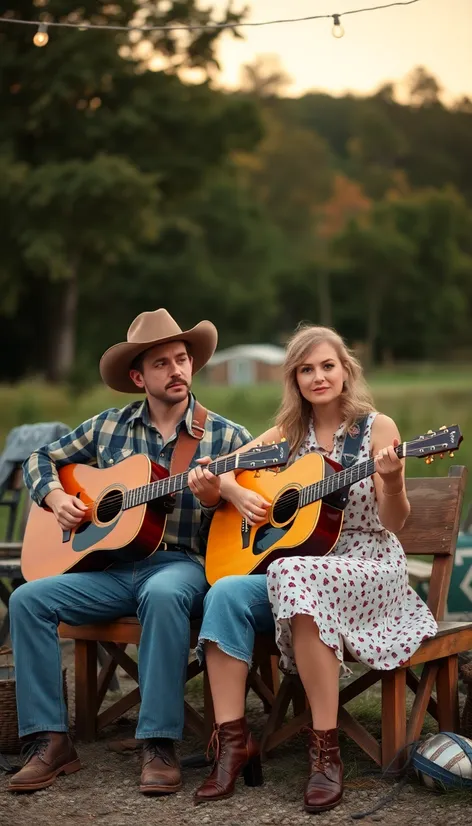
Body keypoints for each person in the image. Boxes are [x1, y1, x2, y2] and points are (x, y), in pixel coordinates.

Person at [192, 324, 438, 813]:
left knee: (293, 576)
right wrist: (238, 493)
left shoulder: (377, 429)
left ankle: (325, 753)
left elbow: (396, 522)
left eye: (327, 366)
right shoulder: (288, 434)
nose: (318, 377)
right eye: (306, 369)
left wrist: (392, 482)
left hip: (368, 568)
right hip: (301, 569)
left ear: (346, 371)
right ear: (295, 379)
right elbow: (217, 468)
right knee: (223, 592)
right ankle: (233, 743)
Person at [8, 308, 252, 795]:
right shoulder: (107, 427)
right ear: (139, 376)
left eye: (182, 359)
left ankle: (158, 743)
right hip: (112, 571)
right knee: (26, 600)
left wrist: (217, 496)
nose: (177, 370)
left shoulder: (227, 437)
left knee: (163, 594)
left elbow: (251, 523)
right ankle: (50, 740)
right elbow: (40, 459)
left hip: (182, 568)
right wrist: (57, 498)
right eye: (162, 363)